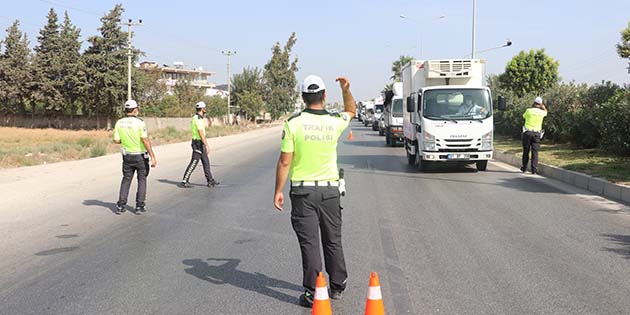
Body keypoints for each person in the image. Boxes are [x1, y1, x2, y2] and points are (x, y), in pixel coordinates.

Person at [273, 75, 356, 308]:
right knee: (333, 239)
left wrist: (278, 190)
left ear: (302, 98)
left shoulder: (293, 124)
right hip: (330, 191)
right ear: (325, 96)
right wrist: (346, 90)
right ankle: (337, 285)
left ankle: (312, 292)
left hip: (302, 193)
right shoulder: (334, 121)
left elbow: (284, 162)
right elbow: (351, 110)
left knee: (309, 243)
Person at [113, 100, 157, 214]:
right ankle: (139, 206)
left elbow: (116, 140)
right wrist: (153, 156)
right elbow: (145, 140)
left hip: (127, 156)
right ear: (135, 109)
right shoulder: (140, 122)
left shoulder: (119, 122)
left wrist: (127, 140)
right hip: (140, 156)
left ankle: (121, 205)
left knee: (126, 180)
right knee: (142, 180)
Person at [179, 101, 219, 188]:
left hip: (199, 143)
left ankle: (210, 180)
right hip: (198, 143)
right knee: (194, 162)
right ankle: (184, 180)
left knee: (206, 162)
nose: (205, 110)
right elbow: (200, 133)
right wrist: (207, 145)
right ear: (202, 109)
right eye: (204, 108)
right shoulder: (197, 119)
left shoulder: (196, 118)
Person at [521, 96, 548, 174]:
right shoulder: (542, 112)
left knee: (526, 151)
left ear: (534, 103)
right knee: (535, 152)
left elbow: (524, 116)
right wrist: (543, 107)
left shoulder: (528, 111)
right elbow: (546, 112)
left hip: (527, 132)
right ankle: (534, 169)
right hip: (537, 134)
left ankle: (524, 168)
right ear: (540, 104)